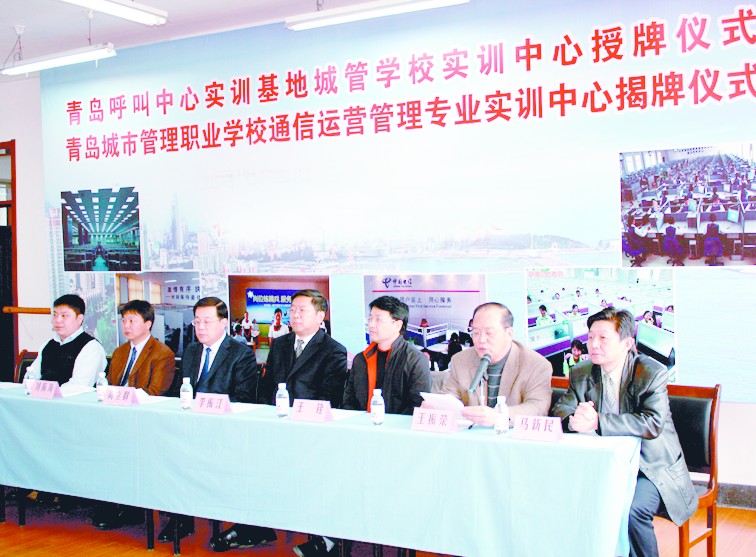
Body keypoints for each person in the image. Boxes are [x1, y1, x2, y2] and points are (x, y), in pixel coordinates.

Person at [211, 290, 347, 554]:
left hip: (310, 432)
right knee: (253, 469)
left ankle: (322, 537)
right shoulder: (281, 344)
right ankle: (255, 526)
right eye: (292, 309)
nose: (294, 314)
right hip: (273, 426)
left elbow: (329, 397)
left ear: (321, 315)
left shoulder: (333, 350)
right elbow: (266, 386)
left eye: (302, 310)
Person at [552, 308, 696, 557]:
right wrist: (574, 421)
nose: (593, 344)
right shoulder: (581, 372)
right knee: (565, 501)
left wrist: (598, 422)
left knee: (630, 510)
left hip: (650, 467)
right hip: (600, 464)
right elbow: (561, 410)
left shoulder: (650, 372)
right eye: (590, 337)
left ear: (627, 344)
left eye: (603, 338)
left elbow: (652, 423)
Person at [159, 297, 257, 544]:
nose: (200, 327)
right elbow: (180, 391)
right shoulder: (192, 351)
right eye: (197, 322)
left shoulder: (241, 354)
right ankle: (181, 518)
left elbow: (243, 399)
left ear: (223, 323)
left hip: (223, 429)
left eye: (207, 321)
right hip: (189, 427)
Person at [92, 299, 176, 531]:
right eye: (123, 321)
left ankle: (129, 506)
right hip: (115, 417)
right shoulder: (120, 352)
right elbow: (109, 385)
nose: (126, 326)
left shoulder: (162, 354)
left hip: (143, 420)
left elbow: (155, 392)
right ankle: (109, 500)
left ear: (148, 324)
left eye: (132, 320)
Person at [441, 303, 552, 426]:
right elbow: (448, 398)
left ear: (509, 334)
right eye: (476, 332)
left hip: (512, 435)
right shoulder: (460, 360)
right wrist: (437, 406)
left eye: (489, 333)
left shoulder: (536, 365)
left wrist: (499, 416)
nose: (481, 339)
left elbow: (538, 408)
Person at [343, 295, 430, 414]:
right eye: (370, 319)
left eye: (378, 320)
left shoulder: (415, 360)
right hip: (361, 423)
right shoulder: (361, 359)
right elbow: (349, 400)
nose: (371, 325)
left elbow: (417, 405)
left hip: (399, 425)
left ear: (397, 325)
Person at [27, 294, 107, 387]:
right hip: (42, 395)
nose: (58, 320)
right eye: (55, 315)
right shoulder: (47, 345)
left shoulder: (91, 348)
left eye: (64, 315)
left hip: (71, 396)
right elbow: (31, 377)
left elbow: (79, 386)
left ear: (79, 319)